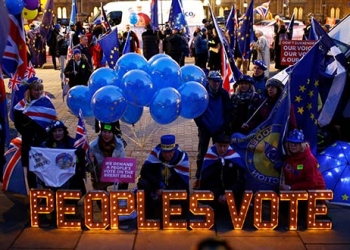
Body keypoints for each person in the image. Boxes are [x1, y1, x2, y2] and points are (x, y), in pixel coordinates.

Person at [13, 77, 57, 188]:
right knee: (31, 169)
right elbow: (18, 124)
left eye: (40, 90)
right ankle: (33, 193)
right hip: (29, 142)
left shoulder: (46, 102)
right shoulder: (21, 106)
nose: (38, 92)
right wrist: (28, 131)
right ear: (30, 91)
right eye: (36, 90)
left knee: (44, 167)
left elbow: (52, 120)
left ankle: (46, 191)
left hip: (43, 141)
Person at [137, 134, 190, 218]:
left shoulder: (182, 158)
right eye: (165, 152)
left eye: (170, 152)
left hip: (172, 188)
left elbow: (183, 183)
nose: (167, 155)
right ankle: (147, 213)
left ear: (174, 150)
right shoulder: (155, 154)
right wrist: (158, 184)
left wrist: (166, 190)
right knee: (142, 182)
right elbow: (144, 172)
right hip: (157, 187)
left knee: (183, 192)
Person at [193, 71, 231, 188]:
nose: (216, 84)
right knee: (202, 154)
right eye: (213, 81)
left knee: (219, 153)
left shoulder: (224, 94)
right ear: (208, 81)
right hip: (205, 129)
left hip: (219, 129)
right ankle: (199, 177)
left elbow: (228, 111)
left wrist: (224, 126)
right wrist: (201, 125)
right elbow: (196, 111)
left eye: (218, 82)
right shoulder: (202, 93)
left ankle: (217, 175)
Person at [199, 134, 245, 213]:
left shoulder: (234, 158)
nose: (222, 149)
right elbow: (206, 180)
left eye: (225, 146)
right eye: (220, 146)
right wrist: (218, 195)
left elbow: (240, 180)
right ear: (215, 144)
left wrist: (228, 194)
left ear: (228, 146)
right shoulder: (210, 157)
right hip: (215, 194)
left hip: (231, 193)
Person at [42, 120, 87, 194]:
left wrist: (80, 155)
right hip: (53, 176)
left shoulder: (73, 143)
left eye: (60, 130)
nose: (57, 133)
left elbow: (80, 163)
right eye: (55, 131)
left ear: (64, 131)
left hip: (70, 177)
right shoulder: (46, 144)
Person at [88, 123, 128, 191]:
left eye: (109, 132)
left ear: (113, 133)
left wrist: (121, 175)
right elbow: (89, 169)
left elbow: (122, 161)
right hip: (99, 176)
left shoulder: (119, 144)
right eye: (104, 131)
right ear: (101, 132)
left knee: (125, 180)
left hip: (114, 173)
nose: (106, 135)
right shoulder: (92, 146)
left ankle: (120, 199)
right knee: (100, 199)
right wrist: (92, 162)